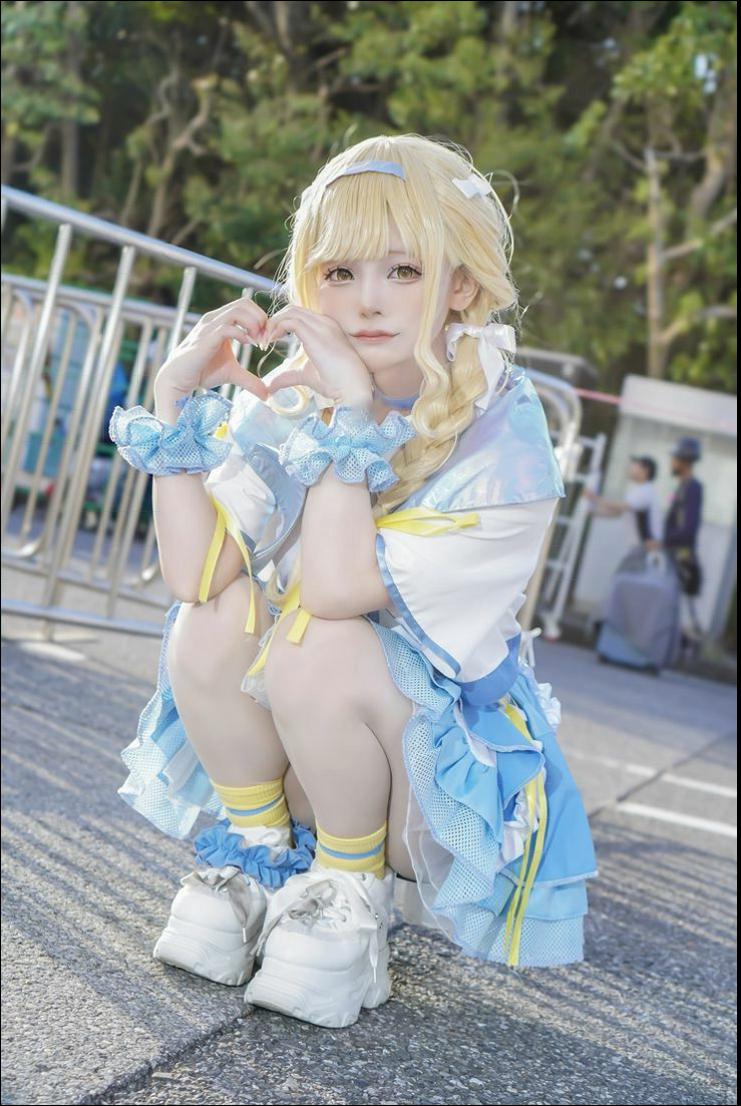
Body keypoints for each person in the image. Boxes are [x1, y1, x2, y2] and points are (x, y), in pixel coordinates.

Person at [108, 134, 599, 1030]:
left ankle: (348, 899)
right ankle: (259, 862)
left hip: (435, 788)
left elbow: (336, 592)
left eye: (403, 268)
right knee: (217, 615)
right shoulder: (308, 391)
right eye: (337, 272)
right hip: (308, 737)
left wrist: (351, 417)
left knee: (320, 639)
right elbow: (196, 574)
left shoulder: (502, 428)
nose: (366, 301)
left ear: (459, 284)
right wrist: (176, 405)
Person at [662, 436, 704, 648]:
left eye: (675, 458)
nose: (672, 463)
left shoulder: (692, 488)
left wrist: (666, 541)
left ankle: (685, 646)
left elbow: (689, 527)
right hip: (675, 553)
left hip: (681, 556)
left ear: (684, 460)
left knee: (679, 605)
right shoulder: (683, 486)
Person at [584, 455, 662, 546]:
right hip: (641, 547)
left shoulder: (646, 491)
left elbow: (620, 507)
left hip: (648, 547)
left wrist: (594, 498)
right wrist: (592, 511)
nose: (631, 468)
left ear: (645, 470)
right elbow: (618, 512)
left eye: (635, 465)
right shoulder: (639, 490)